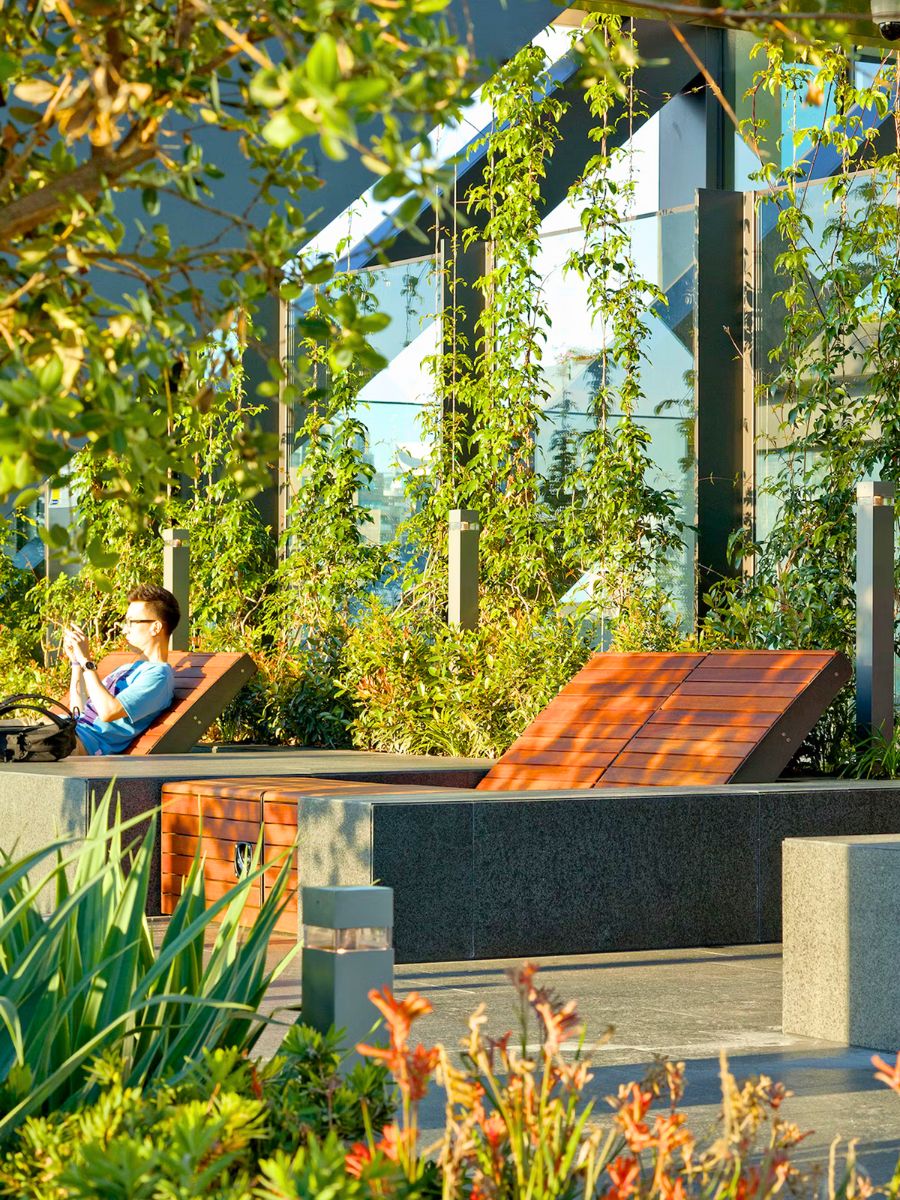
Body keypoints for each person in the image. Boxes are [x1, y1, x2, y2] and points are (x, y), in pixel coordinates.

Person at [63, 584, 180, 756]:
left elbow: (107, 712)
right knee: (11, 728)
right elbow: (78, 713)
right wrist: (76, 663)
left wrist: (86, 661)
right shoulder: (127, 668)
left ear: (155, 627)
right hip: (67, 731)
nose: (125, 629)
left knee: (13, 740)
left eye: (131, 622)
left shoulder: (158, 676)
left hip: (78, 743)